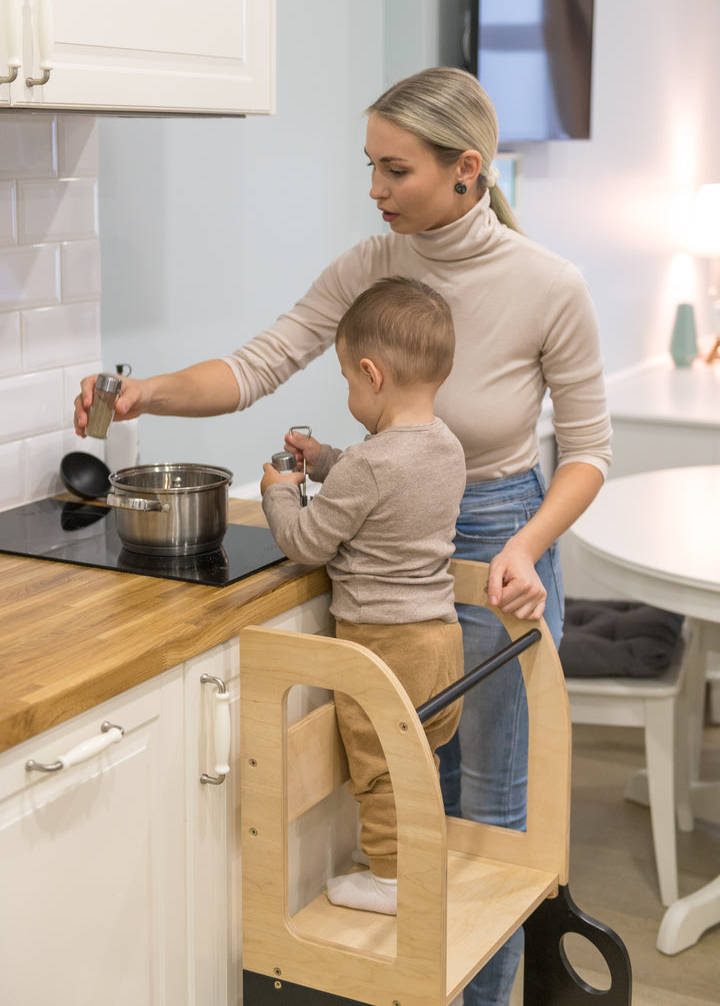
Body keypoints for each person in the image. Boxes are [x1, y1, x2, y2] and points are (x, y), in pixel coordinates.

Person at [75, 66, 611, 1005]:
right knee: (409, 800)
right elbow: (259, 363)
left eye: (393, 170)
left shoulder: (548, 285)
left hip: (498, 542)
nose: (373, 190)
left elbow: (590, 454)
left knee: (489, 815)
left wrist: (526, 547)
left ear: (466, 169)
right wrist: (143, 393)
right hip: (392, 542)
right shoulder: (371, 263)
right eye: (368, 165)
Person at [260, 276, 466, 917]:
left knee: (379, 767)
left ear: (373, 375)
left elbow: (307, 542)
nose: (350, 390)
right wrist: (323, 460)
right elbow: (382, 484)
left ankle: (393, 883)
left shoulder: (371, 466)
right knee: (418, 759)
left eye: (349, 380)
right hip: (439, 636)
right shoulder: (446, 446)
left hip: (385, 644)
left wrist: (280, 489)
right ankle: (420, 863)